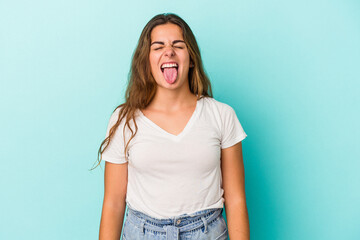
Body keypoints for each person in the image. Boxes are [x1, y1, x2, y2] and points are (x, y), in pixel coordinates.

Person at [95, 13, 250, 240]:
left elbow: (236, 199)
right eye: (158, 47)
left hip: (207, 233)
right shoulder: (124, 120)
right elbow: (113, 203)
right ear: (146, 60)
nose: (169, 51)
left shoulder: (221, 115)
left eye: (178, 45)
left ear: (191, 58)